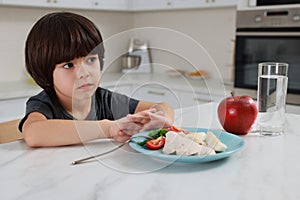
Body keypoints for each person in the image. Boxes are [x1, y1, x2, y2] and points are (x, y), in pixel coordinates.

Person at [18, 12, 174, 147]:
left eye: (90, 60)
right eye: (68, 65)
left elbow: (161, 106)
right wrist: (107, 128)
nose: (84, 73)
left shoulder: (105, 99)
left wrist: (160, 118)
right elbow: (33, 133)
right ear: (44, 71)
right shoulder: (44, 104)